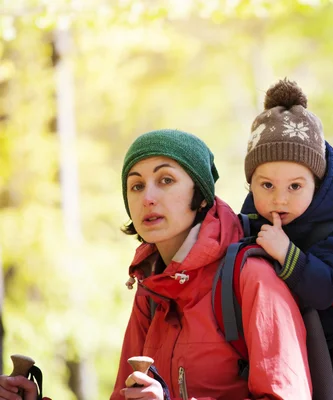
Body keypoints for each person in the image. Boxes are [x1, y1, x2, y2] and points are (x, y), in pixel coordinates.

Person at [111, 129, 311, 400]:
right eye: (136, 186)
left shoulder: (251, 277)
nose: (147, 198)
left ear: (202, 196)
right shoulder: (151, 289)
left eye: (166, 180)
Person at [240, 79, 333, 398]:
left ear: (316, 184)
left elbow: (327, 287)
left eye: (295, 187)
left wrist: (286, 252)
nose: (280, 199)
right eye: (266, 186)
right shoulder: (253, 214)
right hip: (288, 347)